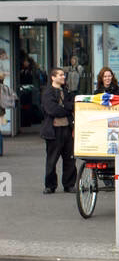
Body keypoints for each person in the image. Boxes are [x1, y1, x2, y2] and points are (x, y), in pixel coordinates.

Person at [40, 66, 77, 194]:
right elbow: (52, 110)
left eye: (63, 75)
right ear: (53, 77)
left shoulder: (66, 91)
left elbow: (73, 105)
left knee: (70, 159)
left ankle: (69, 184)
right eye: (60, 75)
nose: (63, 77)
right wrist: (66, 109)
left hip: (67, 129)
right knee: (52, 159)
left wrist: (65, 107)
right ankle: (50, 186)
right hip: (53, 131)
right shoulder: (48, 92)